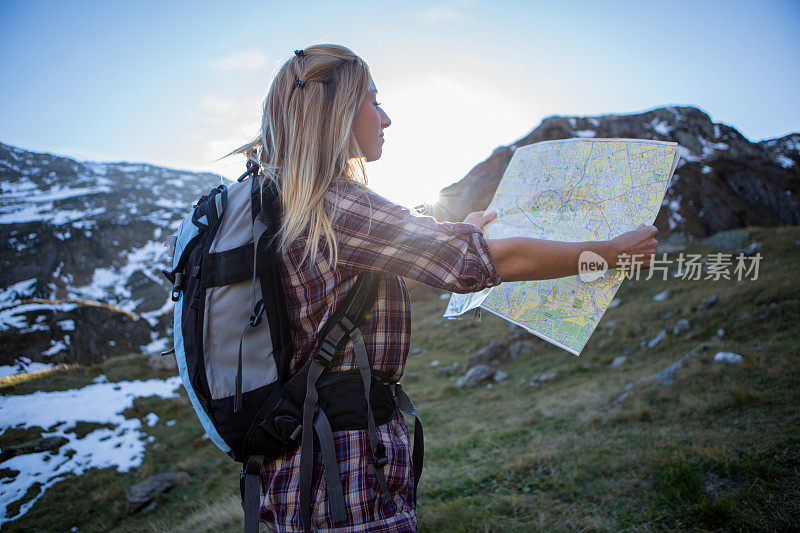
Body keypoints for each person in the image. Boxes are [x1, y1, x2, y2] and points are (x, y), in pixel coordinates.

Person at [233, 44, 657, 533]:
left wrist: (464, 230)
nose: (386, 118)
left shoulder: (281, 199)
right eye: (373, 101)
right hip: (342, 475)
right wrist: (607, 251)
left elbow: (378, 263)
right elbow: (491, 261)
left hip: (299, 467)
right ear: (337, 113)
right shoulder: (334, 205)